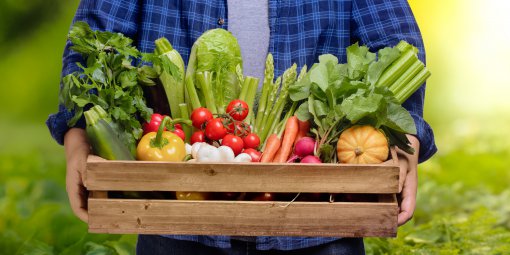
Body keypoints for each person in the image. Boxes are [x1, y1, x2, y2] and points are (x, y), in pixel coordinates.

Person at [46, 0, 437, 254]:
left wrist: (405, 142)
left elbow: (397, 44)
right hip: (179, 218)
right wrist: (79, 133)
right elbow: (94, 42)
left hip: (317, 221)